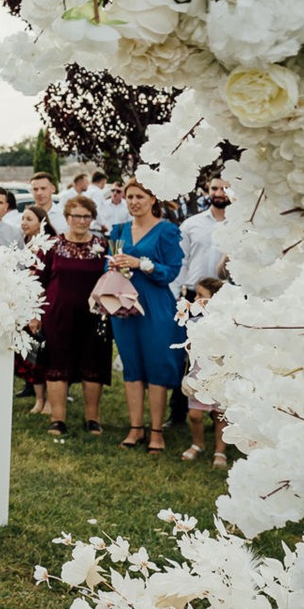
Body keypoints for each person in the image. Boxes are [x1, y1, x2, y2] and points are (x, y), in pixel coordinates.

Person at [107, 180, 185, 454]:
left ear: (153, 199)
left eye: (139, 196)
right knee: (131, 364)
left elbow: (172, 271)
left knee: (157, 364)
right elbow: (109, 264)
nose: (133, 202)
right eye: (129, 197)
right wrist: (115, 266)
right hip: (124, 305)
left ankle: (156, 431)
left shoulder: (167, 231)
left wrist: (141, 264)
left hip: (155, 306)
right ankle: (135, 427)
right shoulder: (118, 230)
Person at [31, 195, 114, 436]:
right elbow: (37, 282)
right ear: (67, 217)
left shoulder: (103, 246)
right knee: (57, 365)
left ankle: (93, 419)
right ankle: (58, 419)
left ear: (92, 218)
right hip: (57, 315)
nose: (81, 220)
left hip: (94, 315)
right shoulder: (52, 245)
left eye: (86, 216)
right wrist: (34, 315)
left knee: (93, 364)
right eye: (76, 216)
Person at [179, 277, 229, 468]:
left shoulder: (227, 323)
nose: (195, 298)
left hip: (220, 375)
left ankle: (220, 450)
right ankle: (197, 443)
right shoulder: (195, 321)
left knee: (219, 416)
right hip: (199, 374)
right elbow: (189, 349)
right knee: (195, 414)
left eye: (200, 295)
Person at [177, 175, 234, 298]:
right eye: (214, 188)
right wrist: (178, 291)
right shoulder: (191, 224)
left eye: (224, 189)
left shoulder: (240, 226)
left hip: (228, 296)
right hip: (194, 294)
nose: (218, 193)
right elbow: (180, 260)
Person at [16, 205, 50, 413]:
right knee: (31, 354)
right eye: (23, 219)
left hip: (42, 304)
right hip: (23, 303)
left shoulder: (49, 245)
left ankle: (50, 399)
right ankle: (38, 398)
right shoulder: (22, 243)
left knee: (44, 352)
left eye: (29, 219)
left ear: (41, 222)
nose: (24, 223)